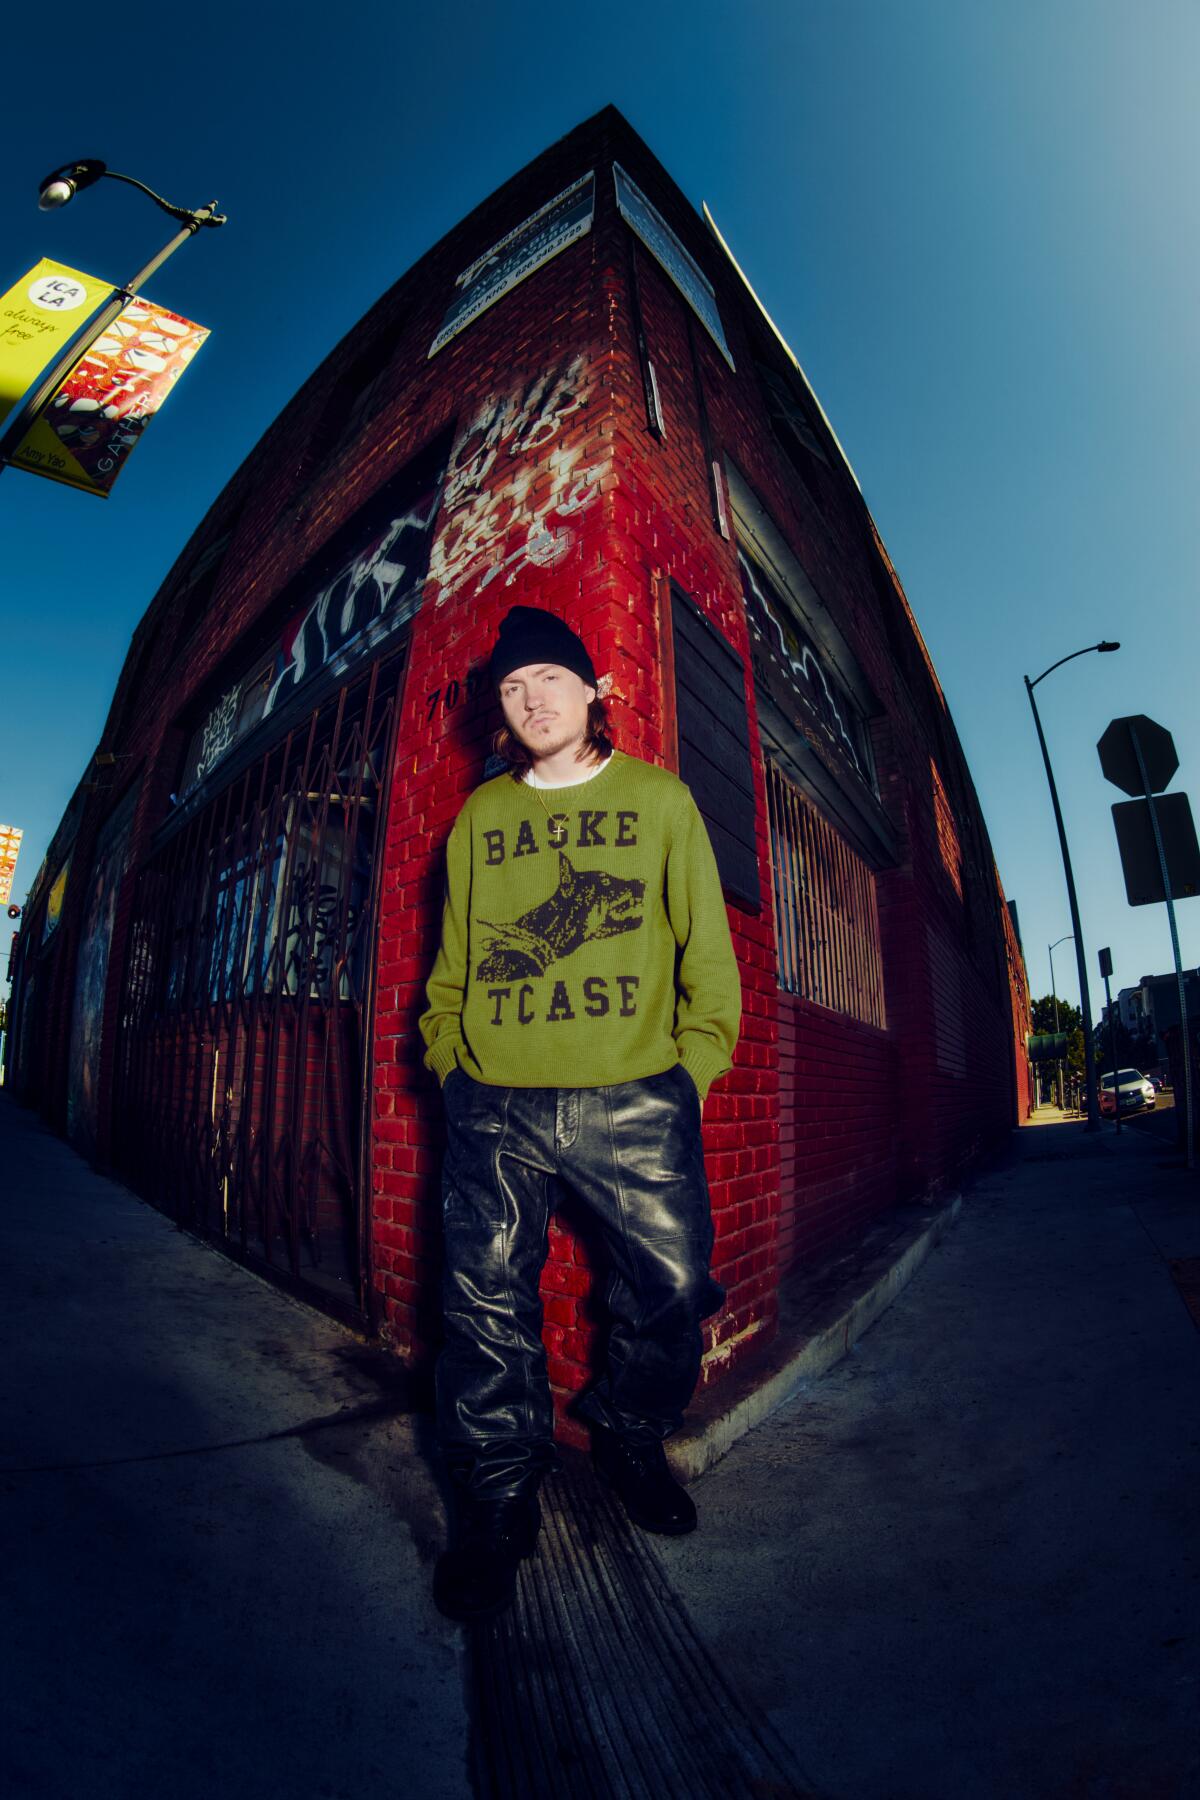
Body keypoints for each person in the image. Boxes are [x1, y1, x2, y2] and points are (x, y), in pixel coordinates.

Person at [420, 604, 741, 1622]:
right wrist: (450, 1067)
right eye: (513, 690)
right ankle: (497, 1499)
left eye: (551, 679)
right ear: (501, 714)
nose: (532, 700)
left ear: (594, 690)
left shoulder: (659, 801)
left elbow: (710, 968)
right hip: (494, 1103)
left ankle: (630, 1433)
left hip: (633, 1096)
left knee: (676, 1285)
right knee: (482, 1312)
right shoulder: (479, 822)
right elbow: (451, 972)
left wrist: (684, 1078)